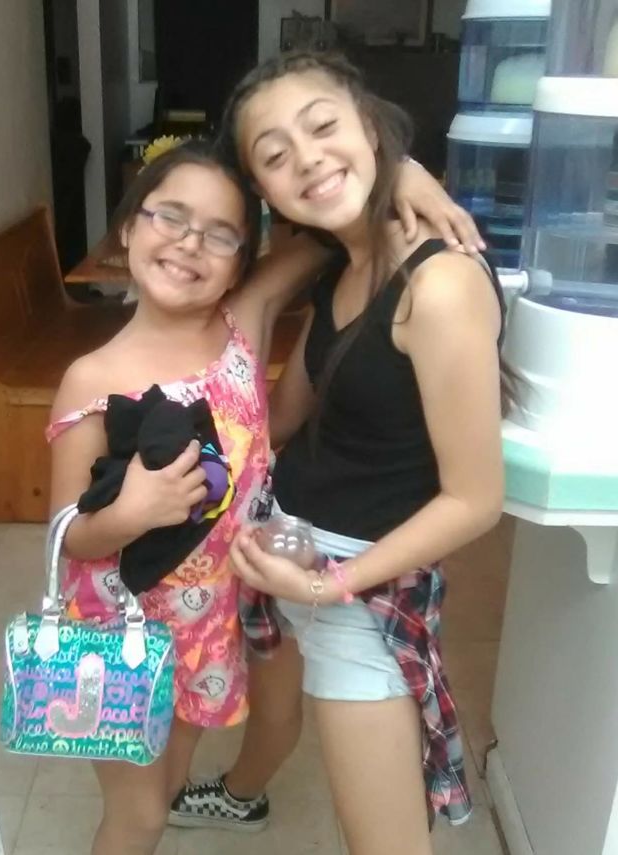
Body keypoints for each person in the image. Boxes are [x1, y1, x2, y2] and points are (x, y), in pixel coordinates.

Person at [48, 134, 481, 855]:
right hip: (118, 632)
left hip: (209, 626)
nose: (190, 243)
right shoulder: (90, 377)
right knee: (140, 814)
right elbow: (67, 532)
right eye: (169, 216)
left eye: (221, 233)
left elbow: (330, 225)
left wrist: (402, 172)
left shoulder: (241, 322)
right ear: (127, 227)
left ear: (243, 261)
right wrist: (129, 513)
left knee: (172, 777)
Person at [172, 51, 508, 855]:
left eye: (324, 126)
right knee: (274, 712)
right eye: (275, 155)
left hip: (358, 589)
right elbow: (288, 413)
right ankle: (242, 795)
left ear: (371, 124)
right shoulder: (344, 262)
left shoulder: (439, 287)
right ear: (263, 192)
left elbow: (475, 499)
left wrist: (330, 586)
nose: (309, 158)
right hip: (283, 545)